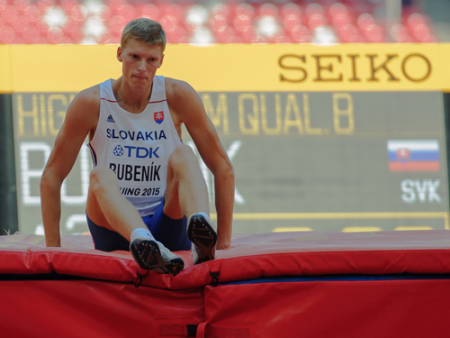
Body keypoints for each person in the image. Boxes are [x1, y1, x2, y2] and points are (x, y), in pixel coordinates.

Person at [40, 18, 235, 276]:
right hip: (112, 228)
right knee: (100, 175)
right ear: (120, 54)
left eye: (151, 60)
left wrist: (223, 245)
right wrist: (54, 253)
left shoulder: (178, 95)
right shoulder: (92, 102)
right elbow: (51, 176)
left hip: (166, 219)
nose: (142, 68)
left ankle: (200, 234)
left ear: (161, 61)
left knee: (185, 155)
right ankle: (143, 241)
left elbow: (222, 167)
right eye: (134, 56)